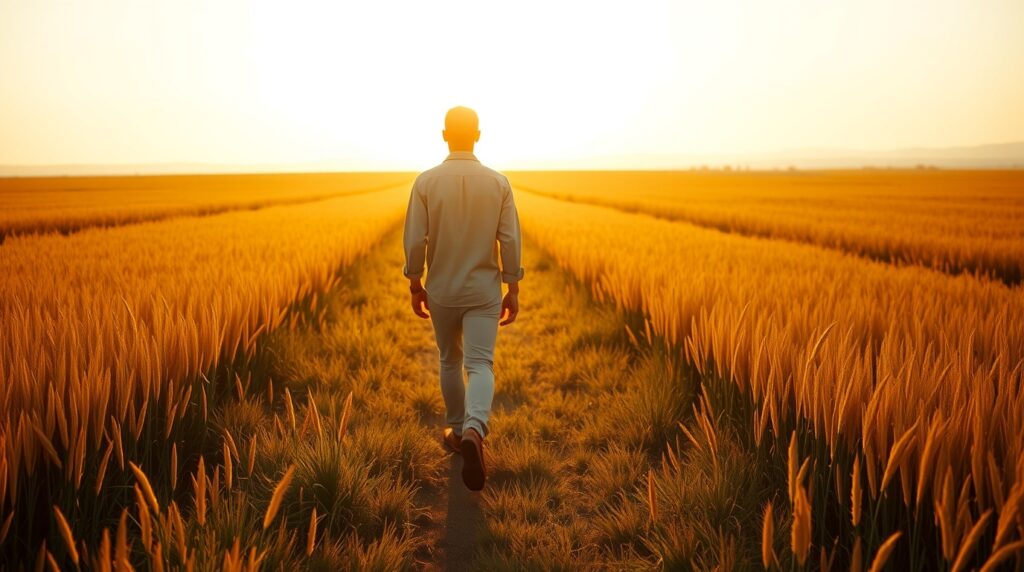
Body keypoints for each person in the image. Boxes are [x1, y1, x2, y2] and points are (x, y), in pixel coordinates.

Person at [402, 106, 524, 491]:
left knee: (449, 358)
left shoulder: (425, 182)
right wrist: (512, 286)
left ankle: (456, 429)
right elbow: (509, 239)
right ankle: (475, 430)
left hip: (442, 289)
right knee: (481, 363)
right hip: (483, 290)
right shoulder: (498, 183)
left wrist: (414, 282)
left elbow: (415, 239)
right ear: (478, 135)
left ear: (443, 135)